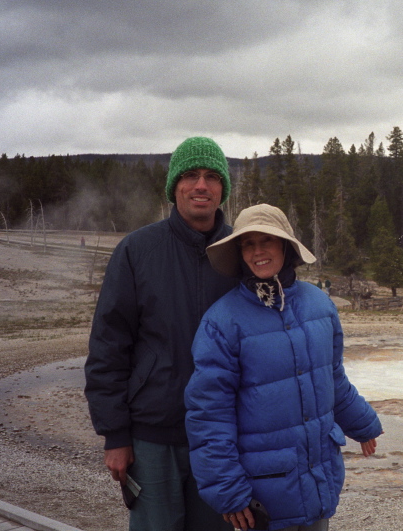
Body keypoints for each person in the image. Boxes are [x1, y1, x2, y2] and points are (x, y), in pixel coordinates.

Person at [185, 204, 383, 531]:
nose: (258, 251)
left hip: (319, 476)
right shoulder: (221, 323)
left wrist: (363, 423)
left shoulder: (320, 305)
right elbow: (208, 415)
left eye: (268, 240)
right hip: (264, 495)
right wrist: (229, 492)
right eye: (248, 243)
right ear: (239, 252)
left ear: (285, 247)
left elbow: (332, 379)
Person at [84, 137, 238, 531]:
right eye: (190, 176)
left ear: (223, 188)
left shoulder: (241, 251)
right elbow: (108, 347)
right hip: (151, 438)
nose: (200, 185)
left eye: (210, 176)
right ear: (174, 187)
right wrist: (115, 434)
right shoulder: (138, 250)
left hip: (222, 437)